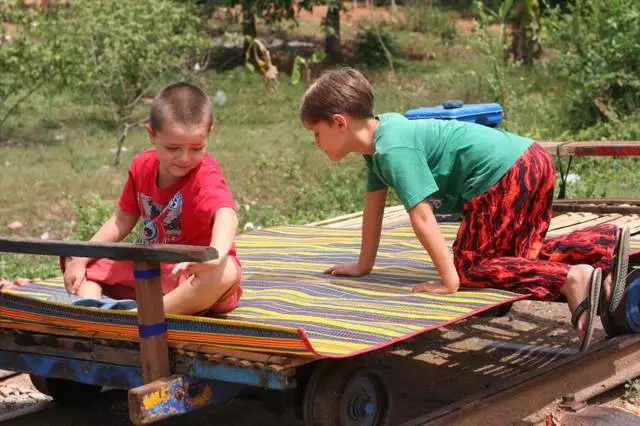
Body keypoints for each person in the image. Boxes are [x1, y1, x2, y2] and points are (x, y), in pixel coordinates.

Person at [299, 67, 629, 351]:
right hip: (529, 159)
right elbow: (373, 208)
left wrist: (450, 281)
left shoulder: (391, 149)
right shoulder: (381, 140)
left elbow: (422, 215)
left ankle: (573, 277)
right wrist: (362, 265)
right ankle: (602, 246)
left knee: (473, 267)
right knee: (519, 258)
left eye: (317, 133)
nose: (316, 143)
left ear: (339, 122)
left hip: (504, 175)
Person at [62, 81, 242, 316]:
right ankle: (94, 312)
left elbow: (226, 214)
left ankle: (143, 315)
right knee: (80, 259)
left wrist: (214, 255)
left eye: (196, 148)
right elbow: (121, 220)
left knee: (227, 271)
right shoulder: (141, 166)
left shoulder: (206, 174)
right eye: (173, 148)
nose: (185, 158)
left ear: (209, 134)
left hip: (190, 275)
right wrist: (82, 258)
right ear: (152, 135)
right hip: (151, 267)